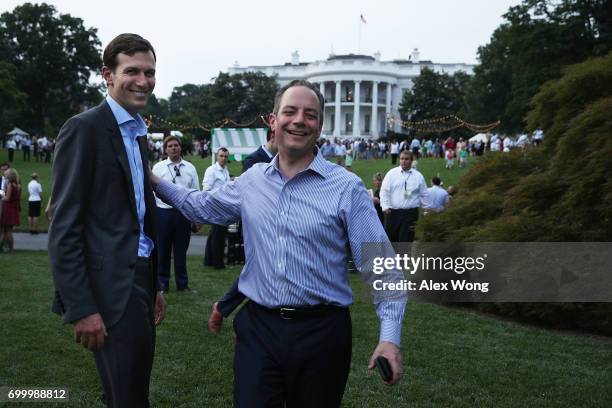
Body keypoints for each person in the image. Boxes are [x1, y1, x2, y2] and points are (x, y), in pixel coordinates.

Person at [150, 80, 406, 407]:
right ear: (273, 121)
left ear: (320, 125)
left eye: (310, 114)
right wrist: (151, 180)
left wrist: (389, 338)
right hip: (258, 330)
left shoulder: (347, 188)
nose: (299, 120)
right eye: (290, 111)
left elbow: (382, 265)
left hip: (322, 333)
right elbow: (200, 206)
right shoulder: (251, 181)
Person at [48, 33, 166, 408]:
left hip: (140, 280)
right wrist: (81, 307)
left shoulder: (137, 133)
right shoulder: (84, 128)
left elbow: (138, 216)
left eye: (149, 72)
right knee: (128, 397)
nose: (143, 81)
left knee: (130, 392)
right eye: (132, 71)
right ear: (108, 75)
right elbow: (63, 226)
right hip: (110, 288)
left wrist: (156, 283)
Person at [208, 129, 278, 333]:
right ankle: (229, 311)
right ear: (273, 135)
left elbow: (374, 246)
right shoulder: (255, 161)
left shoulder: (285, 160)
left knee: (264, 271)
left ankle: (230, 311)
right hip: (261, 225)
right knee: (257, 270)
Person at [152, 135, 200, 293]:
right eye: (170, 146)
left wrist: (195, 217)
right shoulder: (158, 167)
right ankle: (162, 283)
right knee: (163, 250)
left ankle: (183, 284)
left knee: (181, 250)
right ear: (165, 149)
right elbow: (152, 193)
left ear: (180, 148)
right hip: (163, 213)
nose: (173, 148)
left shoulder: (190, 168)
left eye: (176, 145)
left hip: (183, 213)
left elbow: (195, 192)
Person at [380, 150, 427, 242]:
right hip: (392, 213)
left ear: (411, 161)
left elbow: (424, 194)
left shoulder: (418, 176)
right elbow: (384, 191)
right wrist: (384, 206)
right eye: (401, 159)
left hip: (410, 214)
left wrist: (426, 210)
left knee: (406, 241)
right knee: (391, 240)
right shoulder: (392, 173)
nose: (403, 161)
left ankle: (404, 257)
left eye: (406, 159)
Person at [202, 147, 230, 269]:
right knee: (219, 234)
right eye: (221, 156)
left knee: (214, 233)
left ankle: (208, 260)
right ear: (217, 156)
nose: (223, 158)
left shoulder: (225, 170)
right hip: (216, 205)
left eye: (225, 156)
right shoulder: (211, 170)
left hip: (223, 205)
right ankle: (218, 263)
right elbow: (206, 189)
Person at [0, 167, 21, 253]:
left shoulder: (10, 185)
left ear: (10, 175)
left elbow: (7, 198)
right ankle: (11, 249)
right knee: (9, 231)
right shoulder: (18, 185)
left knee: (5, 231)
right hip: (13, 208)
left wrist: (1, 195)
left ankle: (7, 249)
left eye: (6, 174)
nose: (5, 175)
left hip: (7, 208)